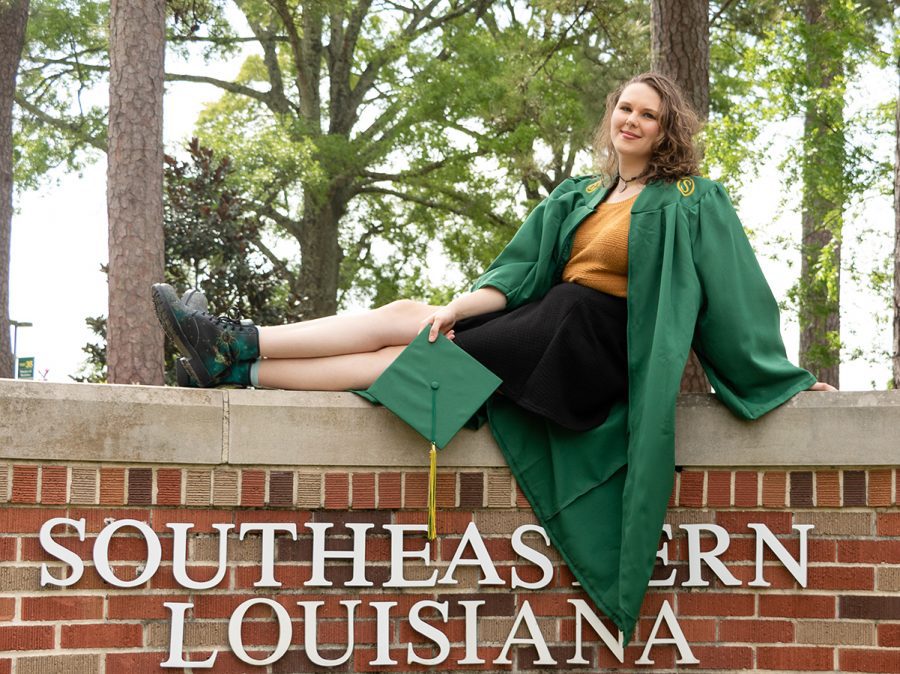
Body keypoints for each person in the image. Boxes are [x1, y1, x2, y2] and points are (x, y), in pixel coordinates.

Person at [152, 72, 835, 642]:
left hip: (590, 348)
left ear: (666, 131)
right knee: (407, 339)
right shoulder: (579, 195)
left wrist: (784, 382)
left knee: (407, 341)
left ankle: (238, 343)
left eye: (648, 115)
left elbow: (735, 295)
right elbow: (514, 276)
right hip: (547, 326)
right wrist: (458, 306)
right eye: (625, 107)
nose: (631, 120)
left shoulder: (689, 198)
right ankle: (239, 365)